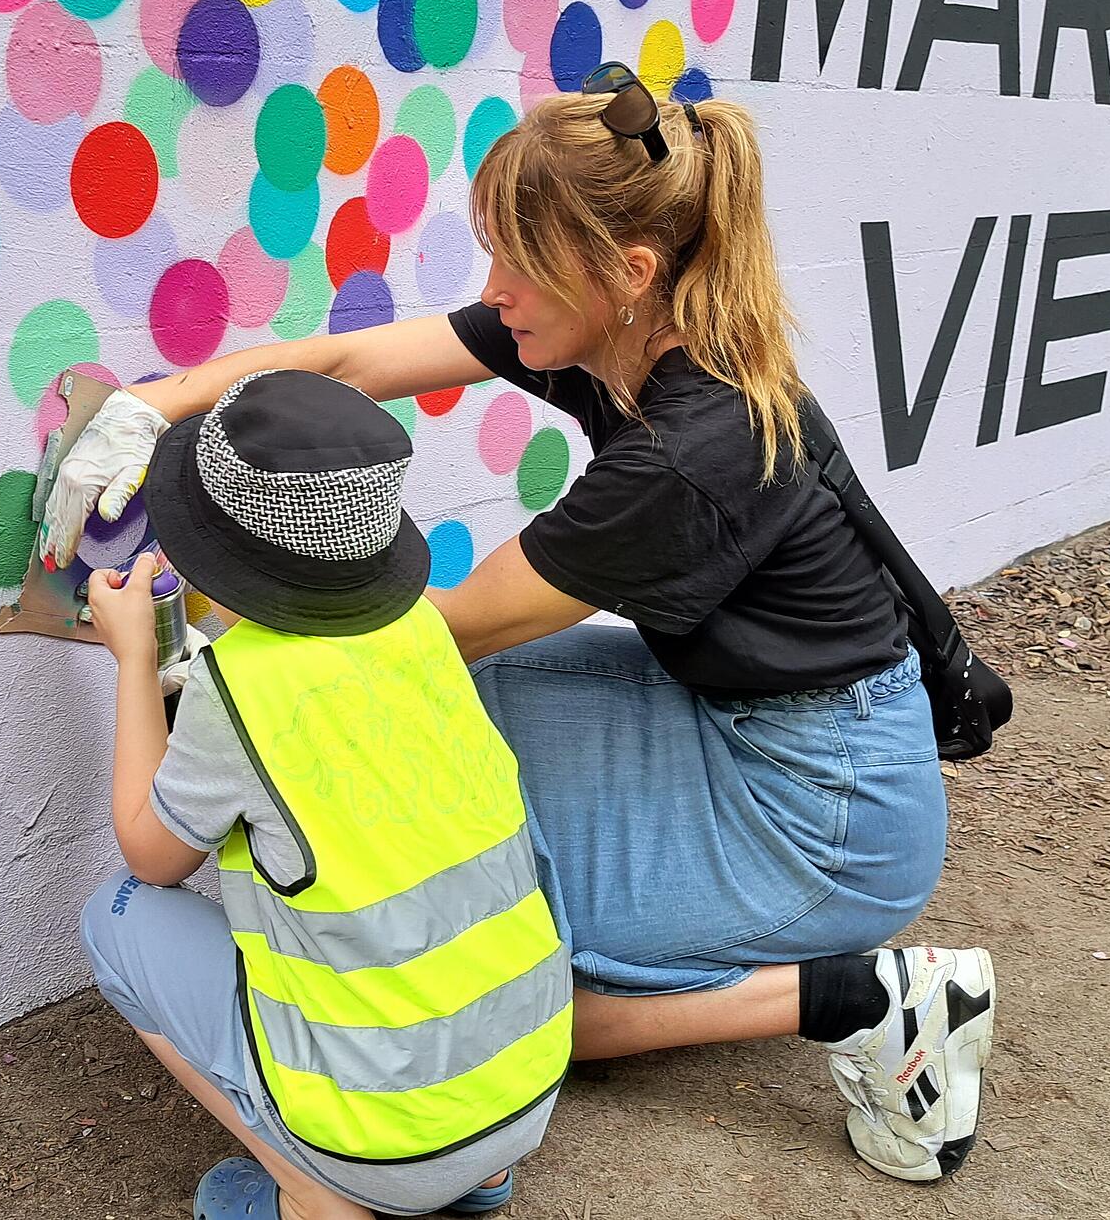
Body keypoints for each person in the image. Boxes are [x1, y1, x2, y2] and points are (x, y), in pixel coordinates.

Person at [48, 65, 998, 1183]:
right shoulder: (617, 331)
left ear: (627, 273)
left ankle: (878, 1000)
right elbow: (353, 362)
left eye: (516, 262)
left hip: (829, 811)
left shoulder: (691, 454)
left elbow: (428, 632)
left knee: (511, 977)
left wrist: (180, 638)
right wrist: (154, 405)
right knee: (446, 746)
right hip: (745, 713)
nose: (492, 288)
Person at [76, 369, 573, 1220]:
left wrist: (132, 659)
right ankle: (476, 1179)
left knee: (115, 917)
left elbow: (149, 856)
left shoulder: (238, 685)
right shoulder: (420, 627)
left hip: (383, 1146)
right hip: (526, 1090)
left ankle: (317, 1196)